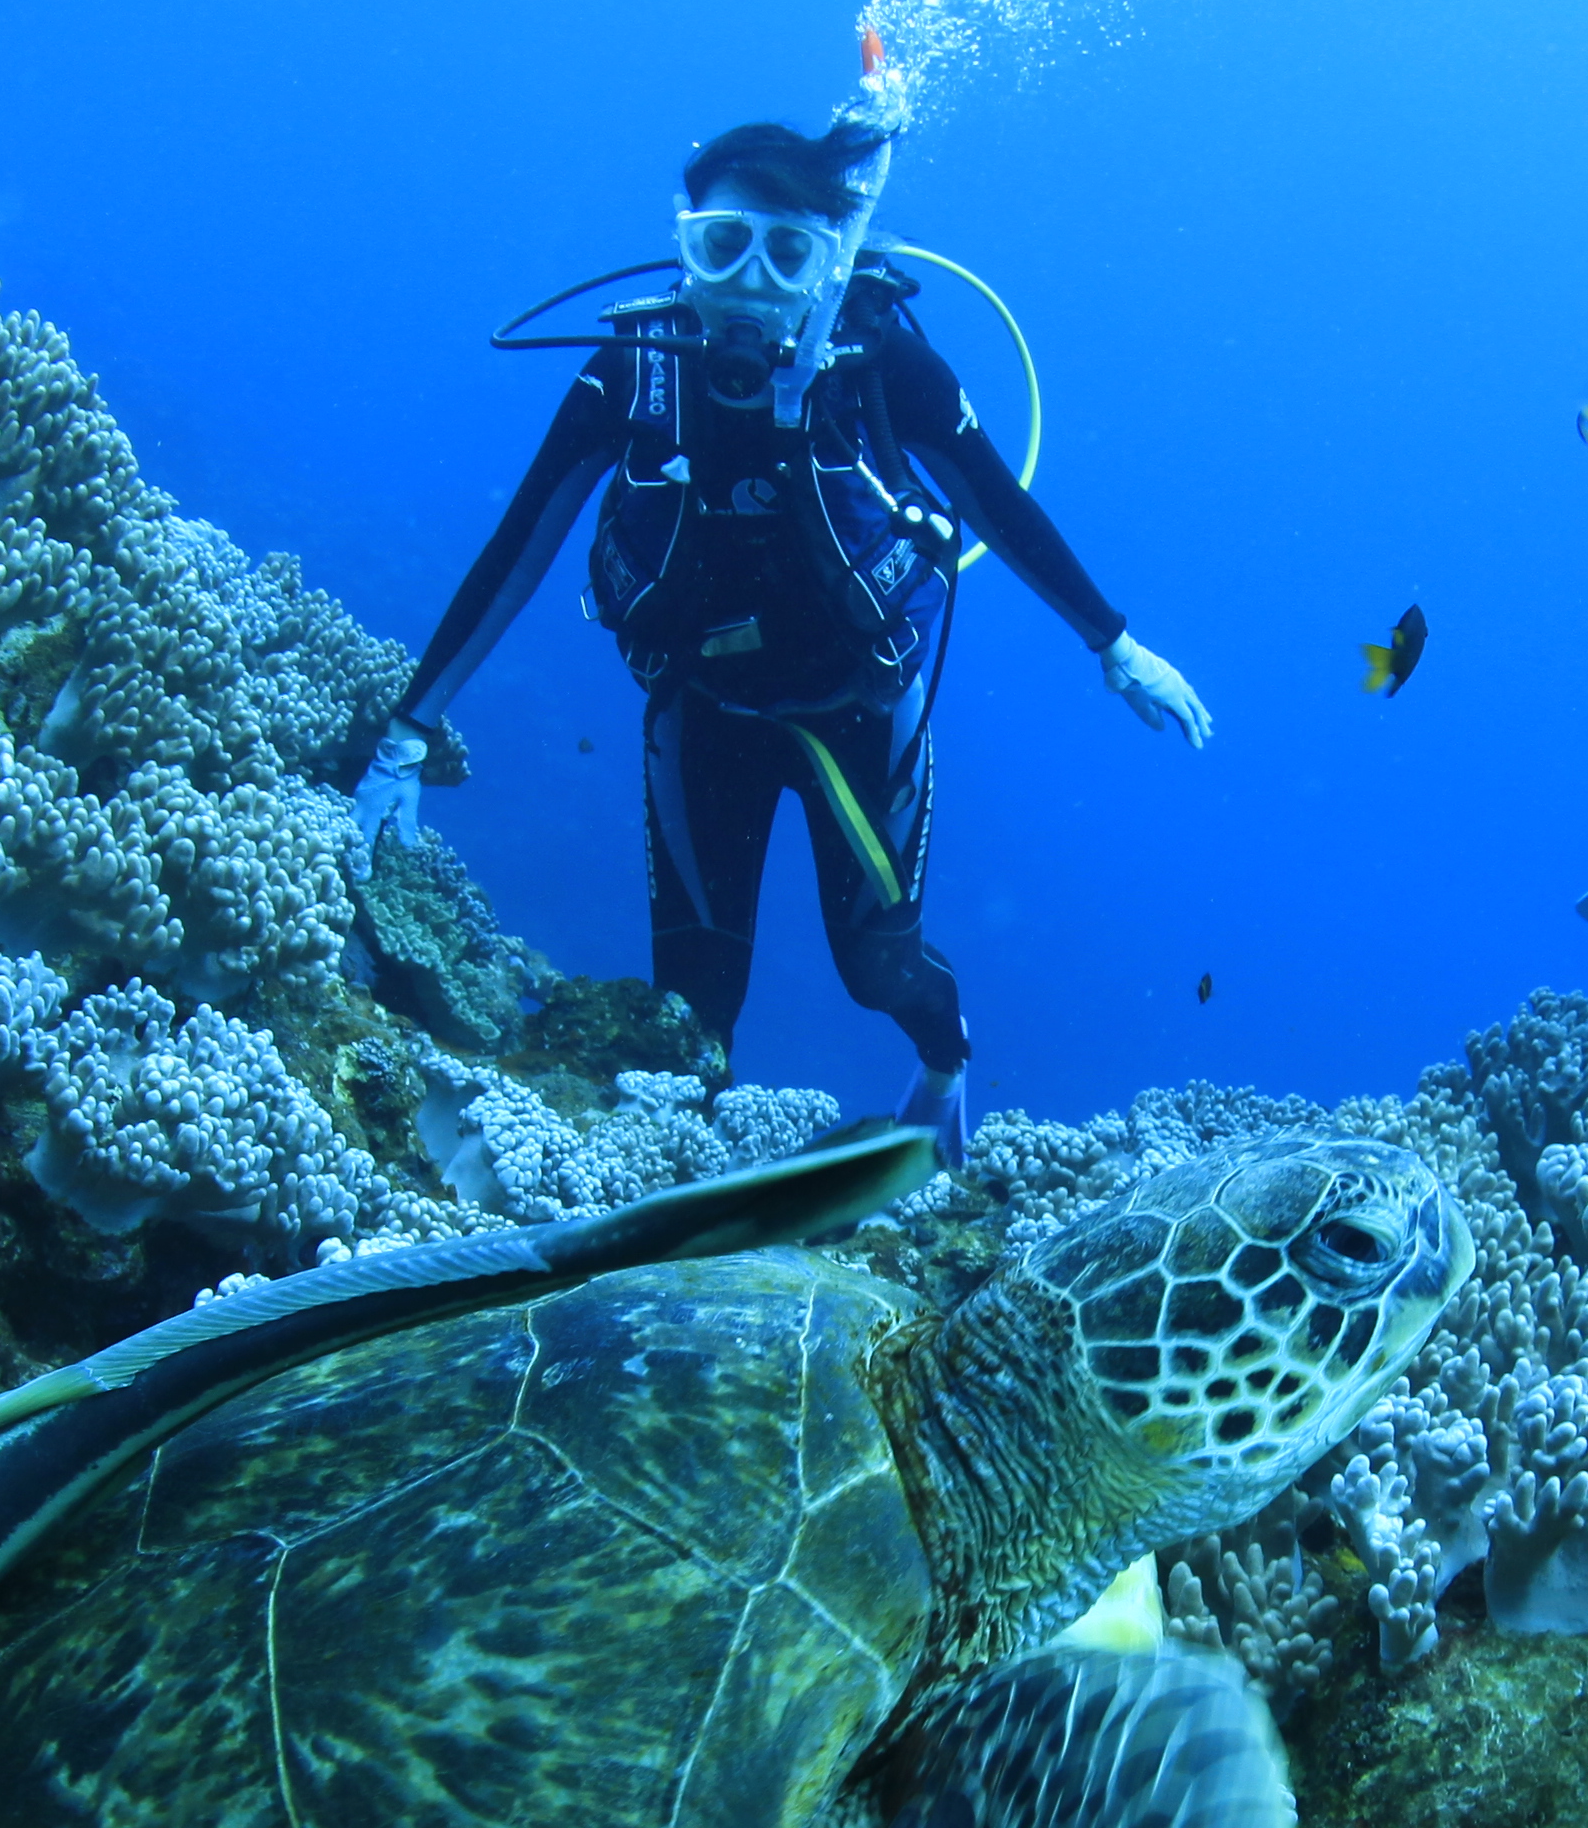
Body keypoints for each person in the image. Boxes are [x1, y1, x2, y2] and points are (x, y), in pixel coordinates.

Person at [351, 115, 1208, 1157]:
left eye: (790, 252)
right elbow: (519, 545)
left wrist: (1114, 646)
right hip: (701, 714)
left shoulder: (883, 361)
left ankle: (945, 1067)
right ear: (686, 246)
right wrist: (407, 733)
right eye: (723, 246)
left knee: (878, 971)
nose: (751, 284)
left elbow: (999, 510)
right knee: (691, 1000)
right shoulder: (633, 371)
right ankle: (689, 1194)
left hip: (863, 711)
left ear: (831, 263)